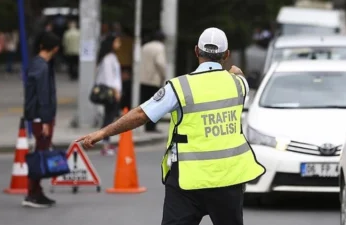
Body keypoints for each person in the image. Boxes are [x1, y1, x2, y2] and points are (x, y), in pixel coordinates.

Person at [76, 27, 265, 225]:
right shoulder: (238, 85)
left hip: (187, 180)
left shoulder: (179, 87)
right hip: (229, 179)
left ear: (196, 51)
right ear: (226, 55)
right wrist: (234, 71)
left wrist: (103, 132)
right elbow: (239, 74)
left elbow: (141, 114)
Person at [23, 32, 60, 208]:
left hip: (39, 117)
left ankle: (36, 192)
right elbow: (43, 96)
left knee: (41, 153)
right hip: (41, 118)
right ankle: (32, 194)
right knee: (40, 155)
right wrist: (45, 121)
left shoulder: (37, 64)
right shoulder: (42, 67)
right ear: (55, 48)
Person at [94, 34, 122, 156]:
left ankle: (107, 142)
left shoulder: (110, 57)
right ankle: (105, 144)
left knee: (109, 117)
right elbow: (109, 77)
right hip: (110, 92)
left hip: (113, 91)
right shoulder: (108, 58)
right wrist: (116, 92)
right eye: (117, 41)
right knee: (108, 118)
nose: (119, 44)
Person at [139, 30, 167, 132]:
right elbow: (160, 62)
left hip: (143, 79)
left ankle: (146, 126)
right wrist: (163, 75)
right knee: (155, 104)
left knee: (146, 104)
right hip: (154, 80)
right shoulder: (160, 47)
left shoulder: (145, 46)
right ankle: (152, 127)